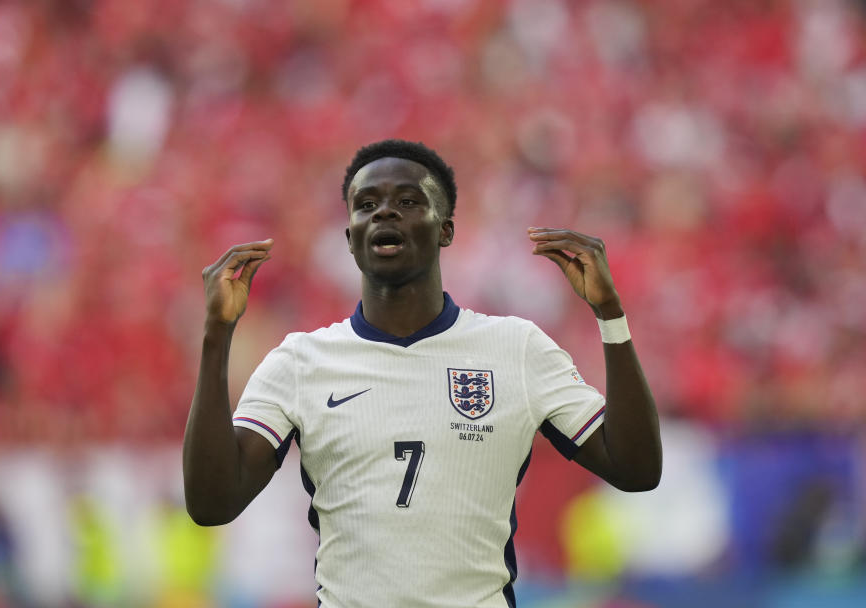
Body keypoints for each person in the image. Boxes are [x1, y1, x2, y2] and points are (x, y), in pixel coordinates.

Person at [183, 139, 662, 607]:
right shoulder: (299, 361)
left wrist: (611, 316)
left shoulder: (516, 348)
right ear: (350, 237)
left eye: (408, 201)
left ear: (446, 230)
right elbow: (211, 504)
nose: (384, 213)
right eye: (366, 204)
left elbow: (636, 469)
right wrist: (216, 335)